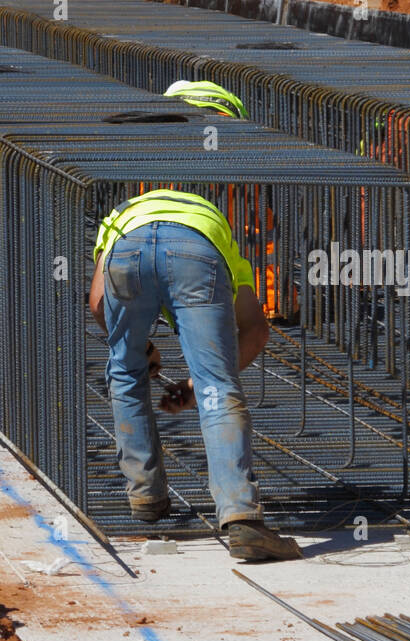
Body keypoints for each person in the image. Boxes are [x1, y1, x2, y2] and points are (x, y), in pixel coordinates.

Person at [89, 187, 302, 561]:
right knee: (217, 387)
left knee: (124, 371)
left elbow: (96, 304)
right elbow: (255, 330)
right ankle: (242, 518)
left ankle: (145, 496)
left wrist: (142, 350)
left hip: (127, 251)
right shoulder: (213, 229)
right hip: (194, 256)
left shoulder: (120, 219)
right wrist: (199, 383)